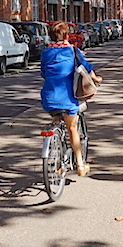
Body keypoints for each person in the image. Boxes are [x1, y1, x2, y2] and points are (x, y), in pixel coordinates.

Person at [40, 22, 102, 176]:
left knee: (56, 119)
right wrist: (96, 79)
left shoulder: (45, 53)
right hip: (67, 98)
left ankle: (55, 149)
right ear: (66, 36)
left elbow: (43, 73)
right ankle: (80, 165)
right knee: (72, 128)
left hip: (48, 98)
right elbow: (86, 68)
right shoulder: (72, 51)